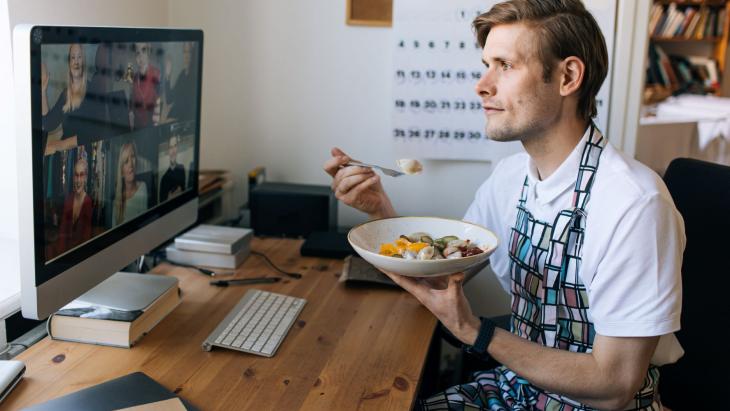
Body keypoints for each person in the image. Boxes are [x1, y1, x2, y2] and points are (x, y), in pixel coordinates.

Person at [323, 1, 684, 410]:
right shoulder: (510, 178)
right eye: (486, 64)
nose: (481, 84)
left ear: (567, 76)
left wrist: (475, 331)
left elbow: (616, 383)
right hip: (519, 388)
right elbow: (440, 275)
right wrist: (379, 212)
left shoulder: (634, 205)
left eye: (505, 65)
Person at [42, 44, 97, 155]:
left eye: (79, 57)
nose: (76, 61)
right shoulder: (65, 94)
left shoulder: (92, 90)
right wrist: (43, 91)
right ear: (69, 63)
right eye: (72, 57)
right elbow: (48, 124)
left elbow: (88, 134)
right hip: (65, 152)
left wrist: (57, 145)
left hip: (82, 152)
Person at [58, 155, 93, 254]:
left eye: (81, 175)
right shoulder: (69, 199)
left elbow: (87, 238)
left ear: (86, 177)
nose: (78, 180)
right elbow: (62, 231)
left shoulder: (88, 202)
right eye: (76, 175)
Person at [113, 141, 148, 225]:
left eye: (132, 157)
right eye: (126, 161)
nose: (131, 164)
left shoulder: (142, 187)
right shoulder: (116, 201)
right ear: (121, 170)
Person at [163, 42, 197, 122]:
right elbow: (169, 99)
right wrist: (168, 75)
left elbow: (188, 108)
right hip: (173, 121)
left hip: (181, 123)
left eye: (189, 52)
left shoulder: (194, 77)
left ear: (193, 54)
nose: (187, 56)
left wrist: (174, 120)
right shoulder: (182, 75)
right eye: (185, 52)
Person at [130, 42, 160, 129]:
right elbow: (133, 106)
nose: (141, 57)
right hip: (137, 128)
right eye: (137, 53)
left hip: (152, 128)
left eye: (144, 50)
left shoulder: (157, 74)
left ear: (149, 51)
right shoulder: (135, 78)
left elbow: (160, 107)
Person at [159, 134, 186, 202]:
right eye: (171, 147)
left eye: (175, 146)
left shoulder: (181, 168)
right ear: (168, 151)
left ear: (177, 148)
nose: (173, 151)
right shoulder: (164, 179)